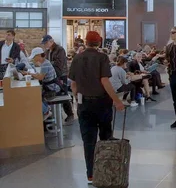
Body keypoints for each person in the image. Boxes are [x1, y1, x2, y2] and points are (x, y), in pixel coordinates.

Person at [69, 31, 125, 184]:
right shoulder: (102, 57)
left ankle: (91, 175)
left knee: (88, 141)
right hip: (102, 104)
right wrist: (117, 101)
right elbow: (105, 81)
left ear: (86, 42)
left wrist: (77, 97)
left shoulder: (77, 58)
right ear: (99, 43)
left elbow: (73, 84)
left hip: (84, 104)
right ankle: (106, 171)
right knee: (106, 138)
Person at [41, 35, 75, 124]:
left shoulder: (60, 49)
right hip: (53, 75)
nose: (45, 45)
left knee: (64, 94)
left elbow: (59, 63)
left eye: (45, 43)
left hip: (61, 75)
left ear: (51, 41)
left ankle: (70, 114)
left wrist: (47, 65)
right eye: (44, 44)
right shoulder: (48, 51)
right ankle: (52, 115)